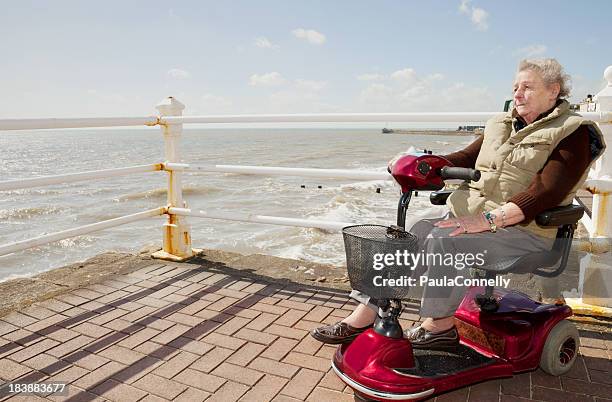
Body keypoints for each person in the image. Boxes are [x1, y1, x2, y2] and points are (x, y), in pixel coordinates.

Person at [311, 58, 606, 350]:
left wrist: (489, 220)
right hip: (470, 218)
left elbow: (546, 191)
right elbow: (464, 158)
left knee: (446, 240)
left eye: (527, 87)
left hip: (524, 231)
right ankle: (367, 312)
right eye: (515, 86)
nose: (517, 93)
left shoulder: (573, 131)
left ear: (553, 90)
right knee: (412, 232)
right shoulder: (500, 124)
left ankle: (439, 326)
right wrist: (420, 164)